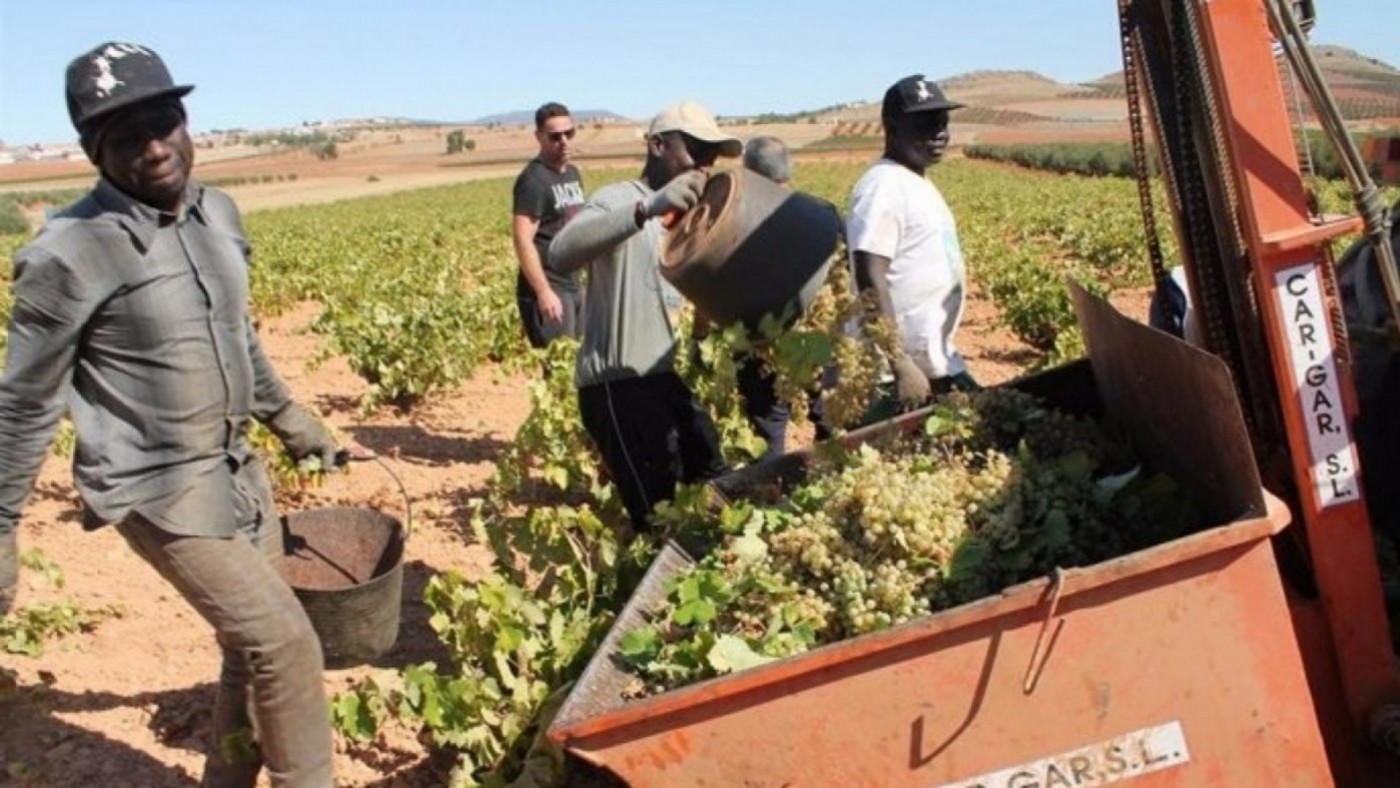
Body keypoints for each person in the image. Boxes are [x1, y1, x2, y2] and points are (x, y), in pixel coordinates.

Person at [0, 42, 358, 787]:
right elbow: (24, 405)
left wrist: (295, 424)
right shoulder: (69, 253)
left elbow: (239, 337)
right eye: (125, 137)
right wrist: (0, 529)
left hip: (235, 474)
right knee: (284, 644)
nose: (154, 147)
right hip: (156, 490)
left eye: (163, 122)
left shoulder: (216, 214)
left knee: (247, 651)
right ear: (93, 152)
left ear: (186, 120)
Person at [549, 100, 737, 531]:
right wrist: (646, 208)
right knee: (656, 514)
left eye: (711, 156)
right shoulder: (621, 199)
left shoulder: (688, 216)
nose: (704, 164)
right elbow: (560, 253)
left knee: (715, 474)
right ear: (657, 145)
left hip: (661, 378)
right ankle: (650, 589)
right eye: (695, 150)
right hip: (617, 388)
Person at [847, 74, 978, 408]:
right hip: (894, 377)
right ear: (891, 126)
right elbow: (869, 275)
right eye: (924, 124)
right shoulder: (883, 186)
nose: (940, 134)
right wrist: (898, 361)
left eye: (943, 123)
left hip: (934, 361)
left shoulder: (912, 180)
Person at [735, 135, 795, 461]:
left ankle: (772, 495)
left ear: (750, 173)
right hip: (818, 343)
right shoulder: (821, 214)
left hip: (759, 344)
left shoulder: (740, 220)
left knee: (769, 427)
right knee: (830, 419)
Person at [511, 102, 586, 349]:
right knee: (558, 368)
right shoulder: (533, 180)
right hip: (550, 287)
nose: (564, 141)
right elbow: (522, 240)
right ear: (539, 137)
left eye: (569, 133)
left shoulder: (573, 173)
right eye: (555, 136)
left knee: (581, 365)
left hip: (573, 283)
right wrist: (543, 292)